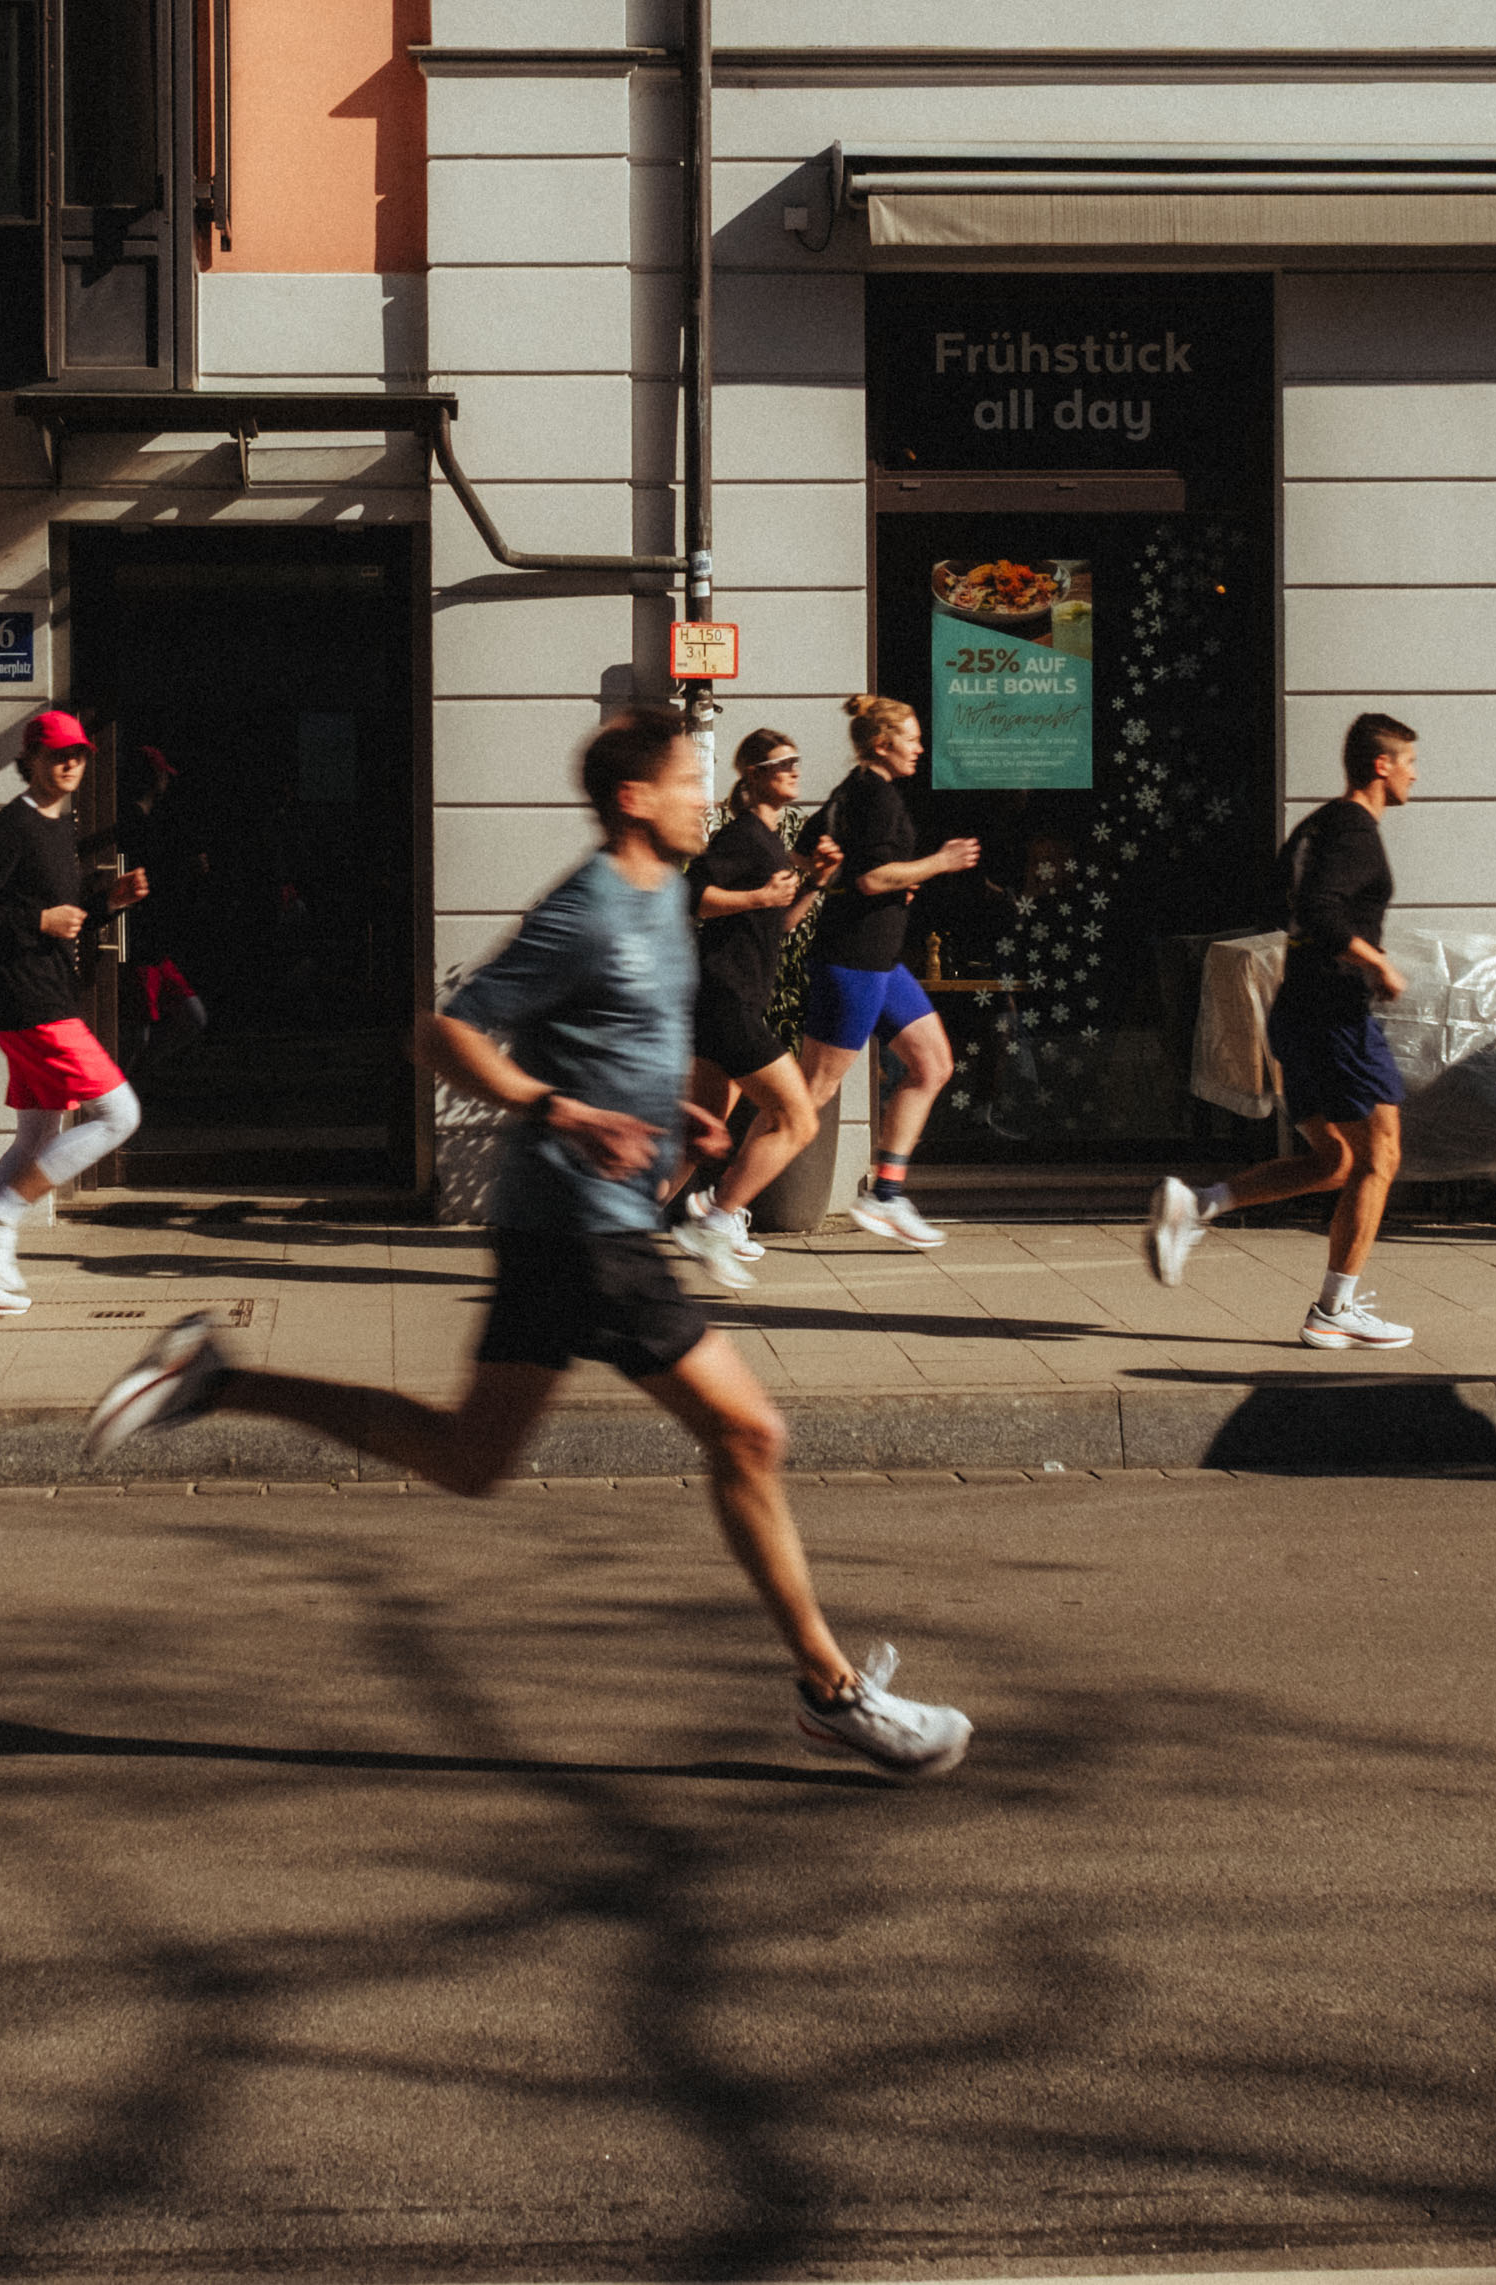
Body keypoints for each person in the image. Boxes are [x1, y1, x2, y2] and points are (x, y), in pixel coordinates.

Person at [76, 706, 970, 1780]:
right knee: (748, 1434)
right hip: (587, 1227)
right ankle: (832, 1694)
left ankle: (215, 1378)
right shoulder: (587, 907)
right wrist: (561, 1110)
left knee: (469, 1458)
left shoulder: (662, 894)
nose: (704, 798)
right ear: (634, 799)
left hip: (565, 1225)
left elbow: (619, 1034)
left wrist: (671, 1115)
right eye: (687, 782)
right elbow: (440, 1032)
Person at [1142, 712, 1421, 1351]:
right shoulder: (1356, 832)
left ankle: (1198, 1205)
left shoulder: (1315, 827)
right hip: (1335, 1017)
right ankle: (1333, 1311)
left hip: (1296, 1012)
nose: (1415, 775)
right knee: (1380, 1158)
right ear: (1381, 765)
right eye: (1409, 762)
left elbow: (1282, 902)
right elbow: (1320, 911)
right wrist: (1376, 962)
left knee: (1335, 1161)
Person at [0, 710, 148, 1317]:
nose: (70, 763)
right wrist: (38, 920)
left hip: (38, 996)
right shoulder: (13, 826)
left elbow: (60, 918)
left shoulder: (57, 824)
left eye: (78, 754)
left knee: (36, 1139)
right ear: (30, 761)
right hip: (31, 1002)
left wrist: (105, 905)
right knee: (119, 1114)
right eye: (57, 754)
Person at [798, 695, 979, 1249]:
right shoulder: (874, 796)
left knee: (933, 1065)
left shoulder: (856, 790)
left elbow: (810, 847)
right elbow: (872, 878)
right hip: (854, 959)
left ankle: (886, 1196)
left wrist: (892, 877)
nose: (920, 748)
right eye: (912, 739)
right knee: (810, 1093)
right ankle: (720, 1208)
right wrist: (938, 863)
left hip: (880, 959)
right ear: (882, 744)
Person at [670, 727, 844, 1289]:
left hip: (729, 1000)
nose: (795, 769)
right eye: (783, 762)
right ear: (755, 774)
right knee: (798, 1118)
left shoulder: (768, 839)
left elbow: (779, 923)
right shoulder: (743, 836)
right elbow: (690, 895)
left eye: (797, 760)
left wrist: (813, 882)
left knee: (696, 1134)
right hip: (726, 1000)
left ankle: (610, 1230)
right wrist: (757, 896)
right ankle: (717, 1219)